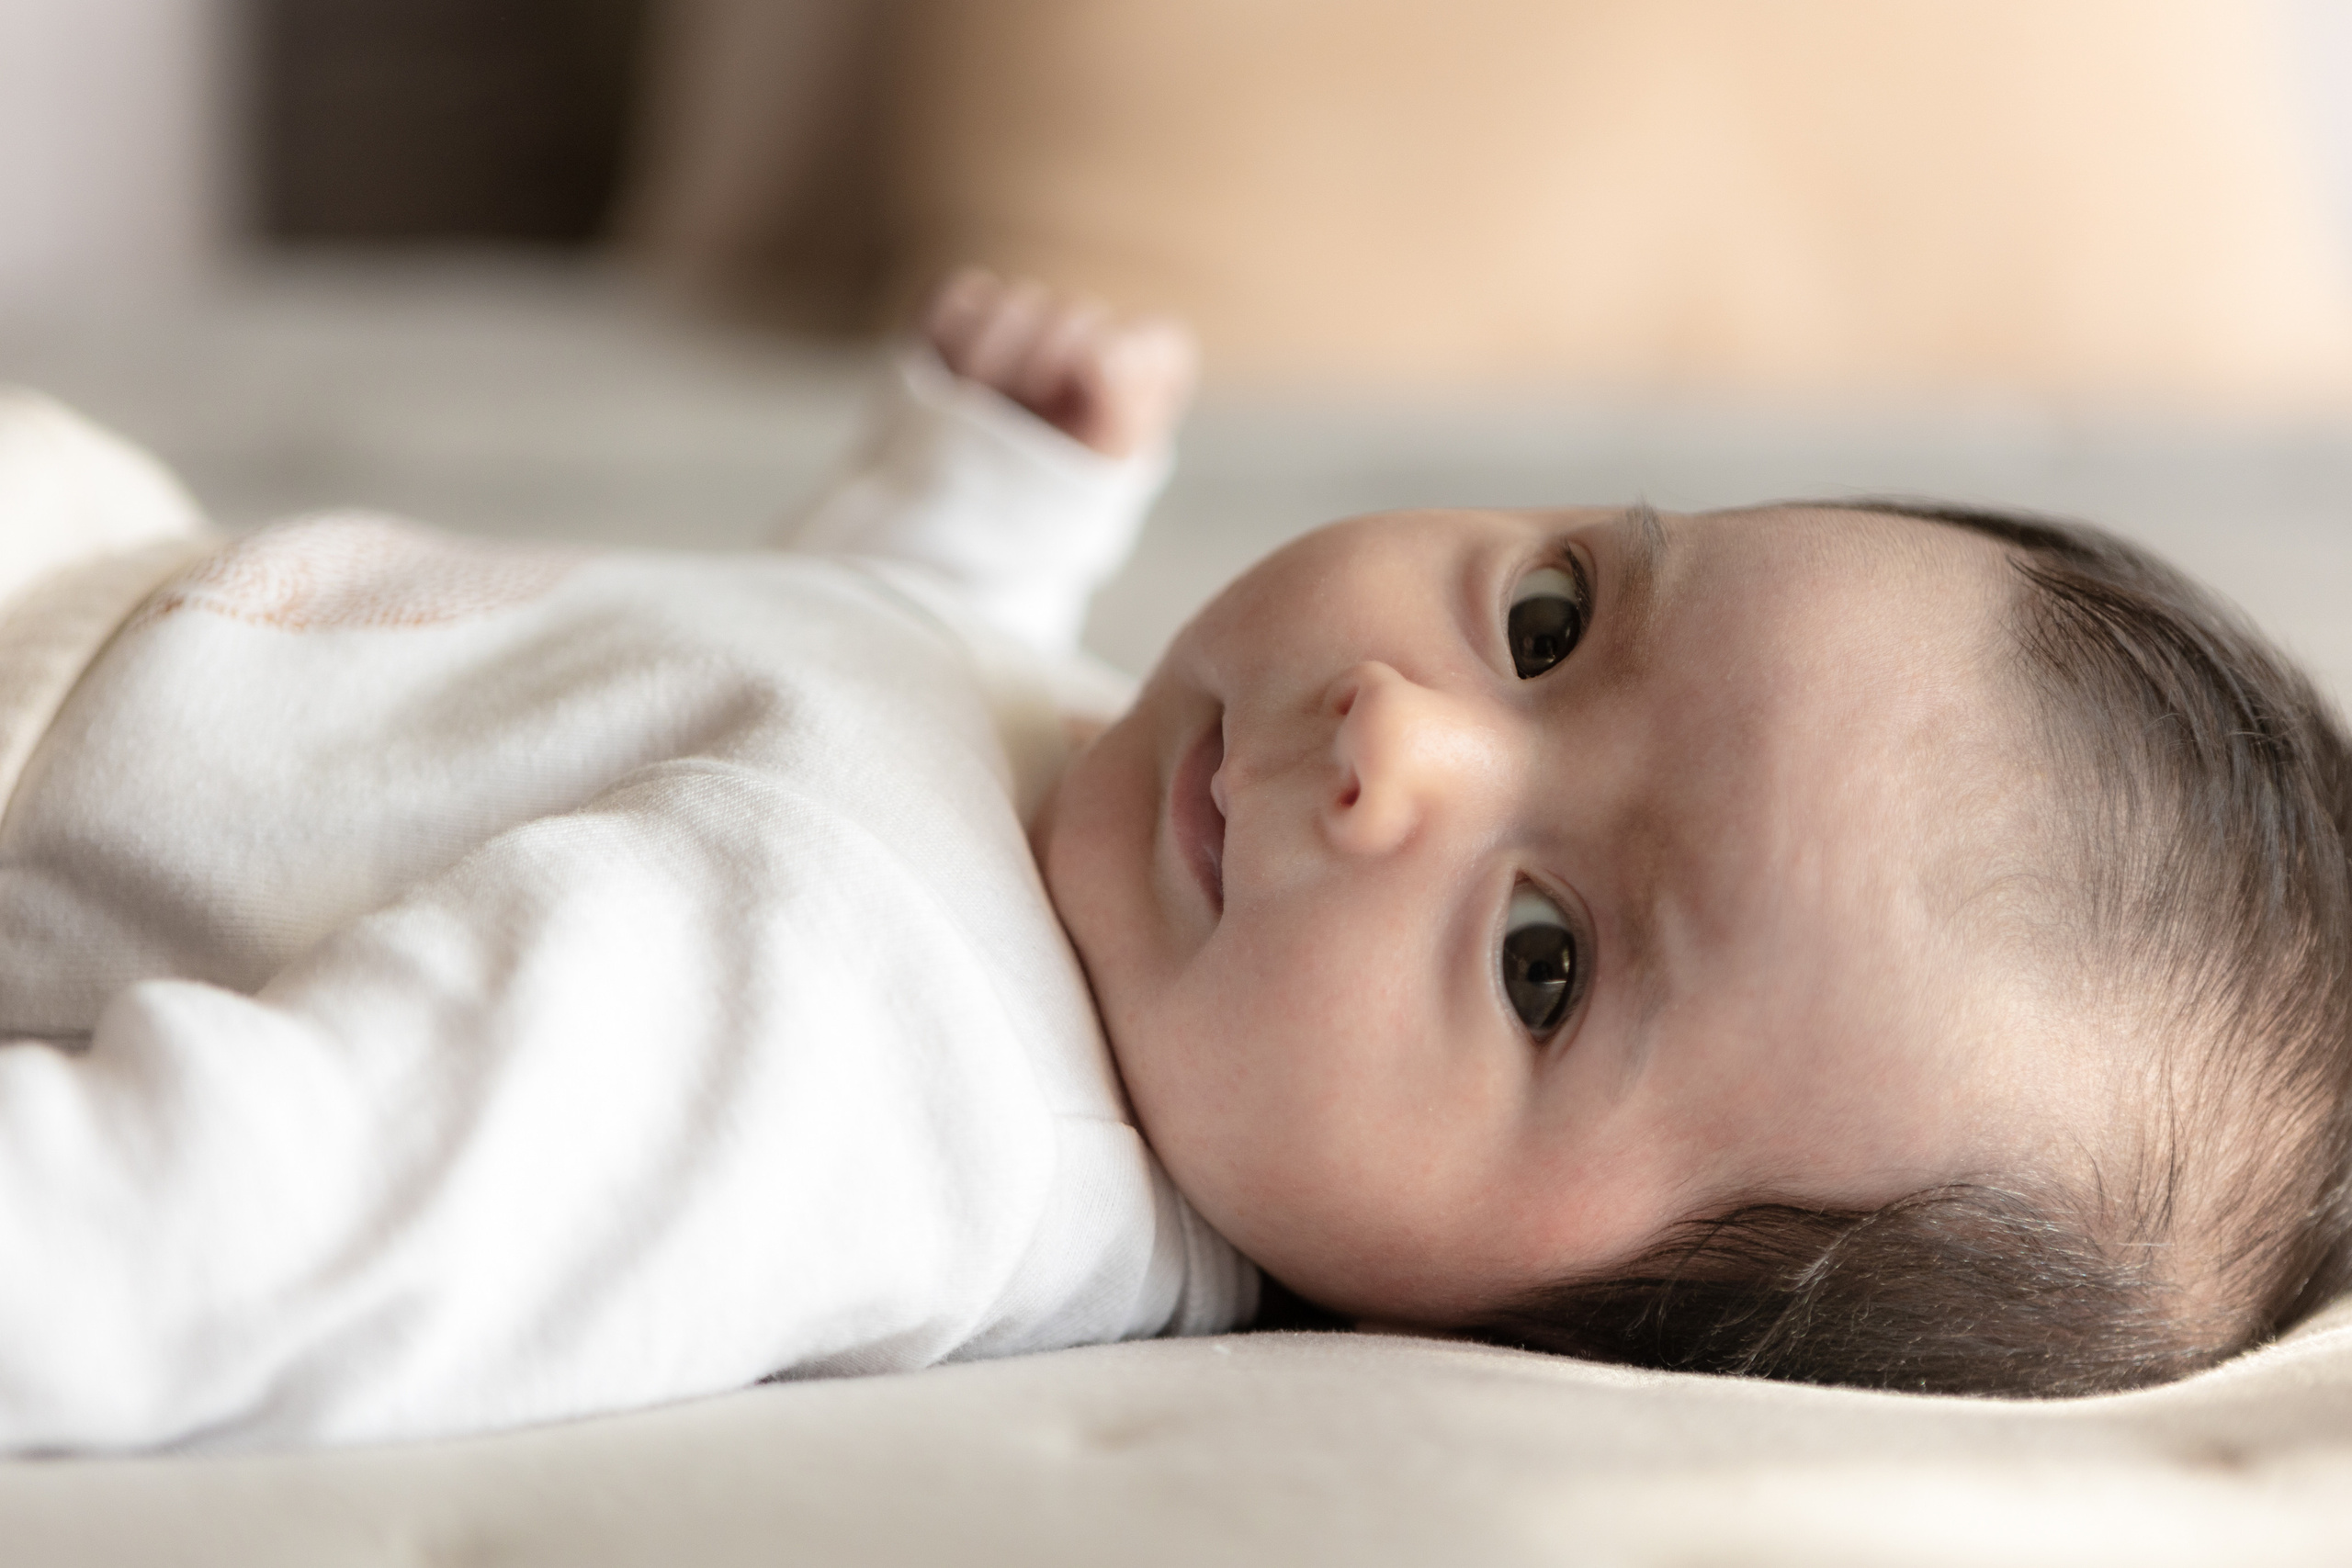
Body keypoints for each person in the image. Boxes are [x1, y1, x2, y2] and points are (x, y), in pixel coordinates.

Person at [0, 271, 2345, 1453]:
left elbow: (216, 1235)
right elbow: (805, 721)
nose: (1397, 736)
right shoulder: (1117, 877)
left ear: (1505, 1339)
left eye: (1541, 962)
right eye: (1549, 621)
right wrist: (975, 519)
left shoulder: (842, 1062)